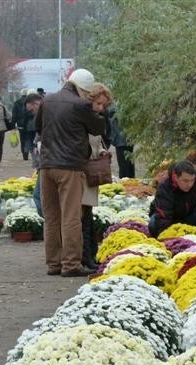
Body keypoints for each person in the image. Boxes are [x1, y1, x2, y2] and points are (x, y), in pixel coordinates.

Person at [36, 69, 106, 277]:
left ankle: (53, 264)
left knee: (51, 217)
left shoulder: (47, 100)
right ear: (84, 89)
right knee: (71, 217)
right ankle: (70, 264)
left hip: (46, 165)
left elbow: (37, 126)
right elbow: (97, 129)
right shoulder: (81, 104)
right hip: (70, 166)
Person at [82, 83, 113, 270]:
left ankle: (90, 254)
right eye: (99, 103)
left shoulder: (96, 120)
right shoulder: (83, 119)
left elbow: (97, 143)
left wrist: (102, 152)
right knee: (83, 217)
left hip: (92, 173)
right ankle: (86, 256)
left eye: (104, 105)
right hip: (82, 172)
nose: (101, 108)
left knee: (88, 215)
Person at [148, 160, 196, 238]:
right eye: (185, 181)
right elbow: (163, 216)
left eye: (192, 180)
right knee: (153, 223)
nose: (189, 184)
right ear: (176, 177)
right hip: (170, 219)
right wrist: (169, 240)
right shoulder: (164, 187)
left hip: (190, 215)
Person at [110, 103, 135, 178]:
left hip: (122, 140)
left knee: (126, 167)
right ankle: (130, 182)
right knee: (128, 166)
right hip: (125, 139)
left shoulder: (114, 108)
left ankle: (128, 183)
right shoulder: (116, 107)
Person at [12, 88, 29, 160]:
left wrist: (12, 125)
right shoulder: (30, 102)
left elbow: (14, 115)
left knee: (22, 139)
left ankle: (24, 154)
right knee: (29, 139)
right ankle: (28, 152)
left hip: (20, 124)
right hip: (29, 124)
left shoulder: (17, 102)